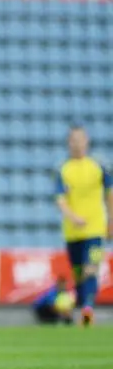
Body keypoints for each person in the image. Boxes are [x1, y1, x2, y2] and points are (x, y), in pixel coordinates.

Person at [54, 125, 110, 328]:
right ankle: (79, 305)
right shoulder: (63, 169)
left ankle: (88, 310)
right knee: (78, 274)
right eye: (73, 139)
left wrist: (111, 221)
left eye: (80, 139)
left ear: (86, 141)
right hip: (72, 232)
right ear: (68, 143)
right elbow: (60, 200)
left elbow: (110, 194)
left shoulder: (98, 166)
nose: (77, 143)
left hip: (95, 229)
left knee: (90, 269)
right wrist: (73, 217)